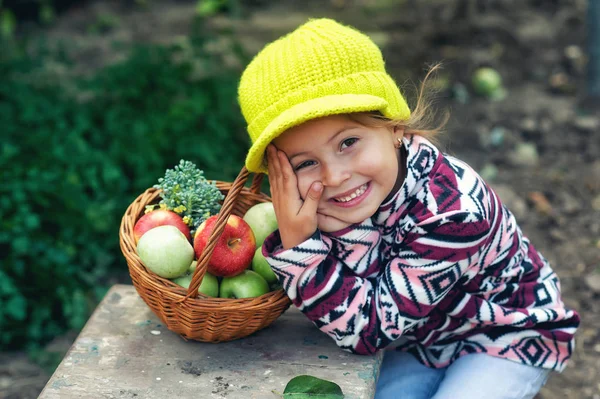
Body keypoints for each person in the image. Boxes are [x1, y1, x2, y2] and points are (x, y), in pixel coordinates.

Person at [237, 18, 580, 399]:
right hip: (419, 335)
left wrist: (304, 248)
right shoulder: (326, 199)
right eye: (304, 163)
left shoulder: (454, 213)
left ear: (395, 126)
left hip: (502, 334)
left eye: (348, 142)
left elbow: (367, 331)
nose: (334, 177)